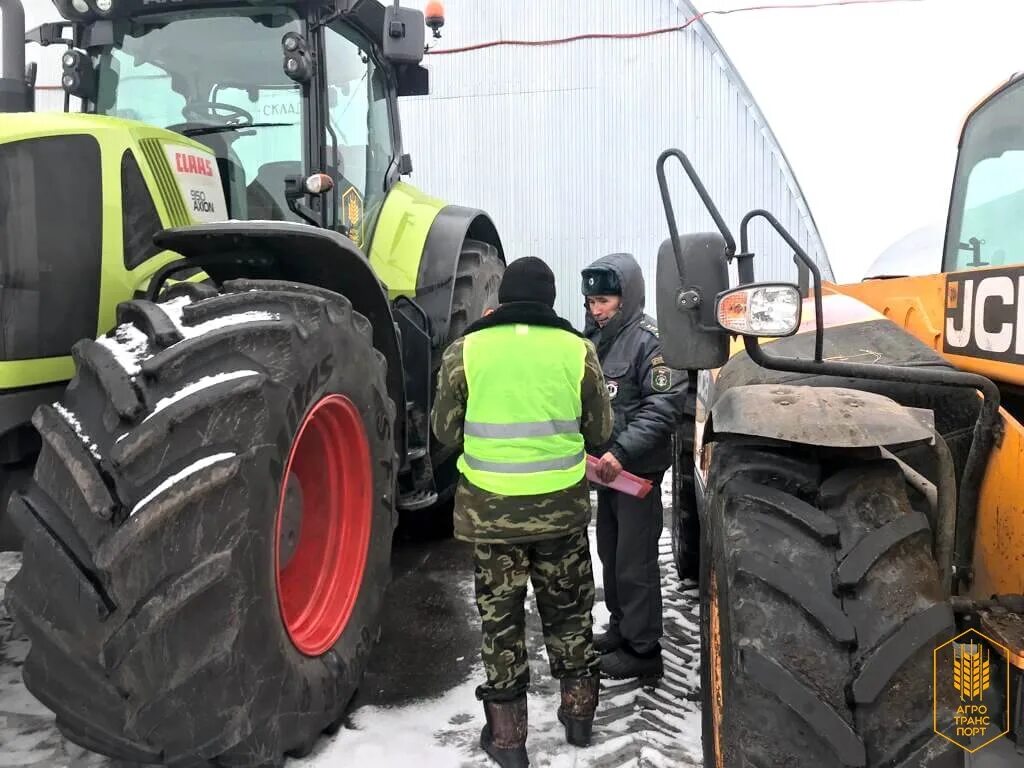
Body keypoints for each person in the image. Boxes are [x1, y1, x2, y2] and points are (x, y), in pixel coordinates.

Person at [431, 256, 614, 767]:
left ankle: (508, 741)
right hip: (561, 516)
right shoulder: (578, 351)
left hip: (493, 520)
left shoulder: (466, 351)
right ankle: (579, 718)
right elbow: (600, 432)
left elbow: (444, 432)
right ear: (552, 299)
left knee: (501, 624)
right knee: (571, 616)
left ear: (503, 299)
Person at [580, 252, 687, 682]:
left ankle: (643, 651)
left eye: (603, 301)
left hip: (635, 473)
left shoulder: (650, 342)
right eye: (591, 302)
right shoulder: (592, 341)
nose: (595, 310)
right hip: (606, 474)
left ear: (626, 298)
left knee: (634, 562)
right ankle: (622, 628)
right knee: (610, 553)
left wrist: (620, 452)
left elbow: (663, 406)